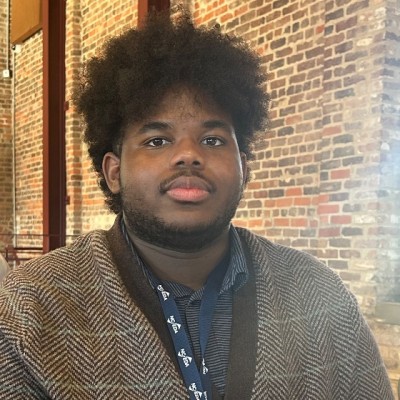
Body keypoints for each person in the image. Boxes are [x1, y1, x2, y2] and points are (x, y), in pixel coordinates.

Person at [0, 10, 394, 400]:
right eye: (157, 140)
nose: (188, 155)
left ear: (244, 168)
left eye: (212, 140)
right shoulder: (30, 309)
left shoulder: (319, 294)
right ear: (114, 172)